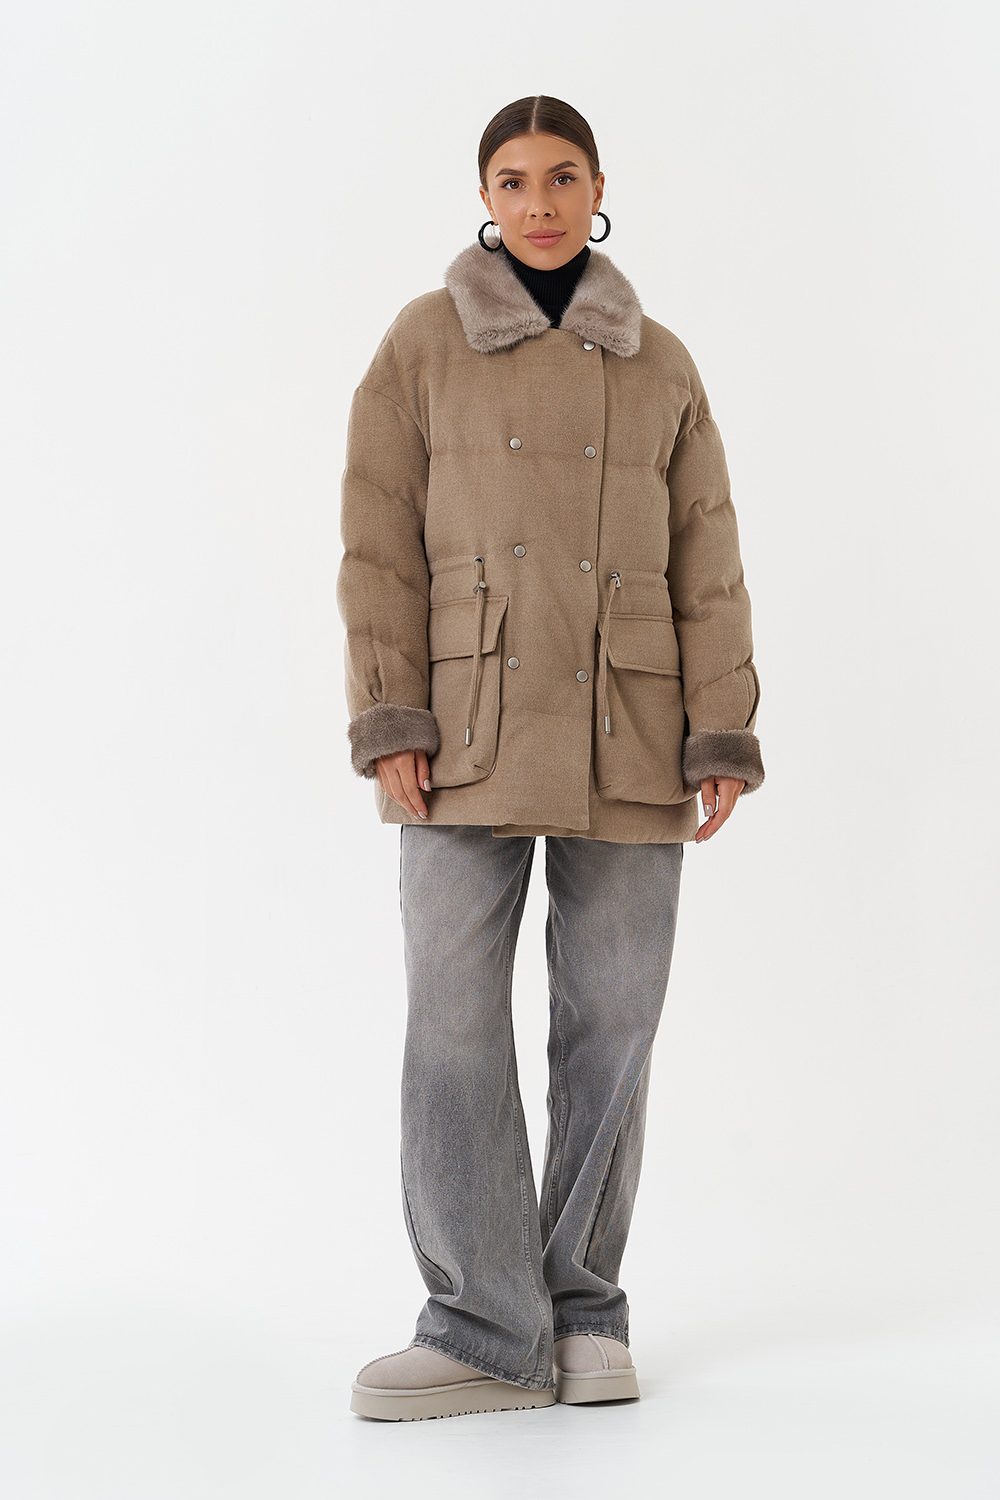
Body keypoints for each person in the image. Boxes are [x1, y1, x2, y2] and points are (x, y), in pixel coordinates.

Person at [337, 95, 765, 1422]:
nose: (539, 202)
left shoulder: (661, 363)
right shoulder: (421, 342)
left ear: (597, 189)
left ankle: (582, 1314)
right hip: (463, 724)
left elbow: (707, 553)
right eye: (514, 179)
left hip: (630, 723)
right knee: (453, 1023)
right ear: (485, 196)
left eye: (562, 176)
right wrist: (391, 718)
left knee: (613, 1027)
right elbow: (376, 541)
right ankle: (481, 1326)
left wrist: (720, 726)